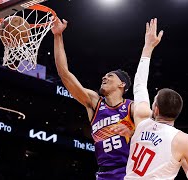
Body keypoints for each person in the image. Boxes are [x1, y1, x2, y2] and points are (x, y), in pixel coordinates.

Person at [51, 17, 135, 180]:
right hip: (104, 173)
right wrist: (57, 36)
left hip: (129, 171)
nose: (104, 76)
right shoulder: (95, 103)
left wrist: (131, 131)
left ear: (121, 84)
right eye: (105, 75)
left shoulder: (131, 107)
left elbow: (151, 131)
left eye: (110, 76)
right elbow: (64, 73)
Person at [125, 18, 188, 179]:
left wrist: (147, 47)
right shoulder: (183, 140)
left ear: (155, 109)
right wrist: (186, 167)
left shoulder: (142, 120)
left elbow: (140, 85)